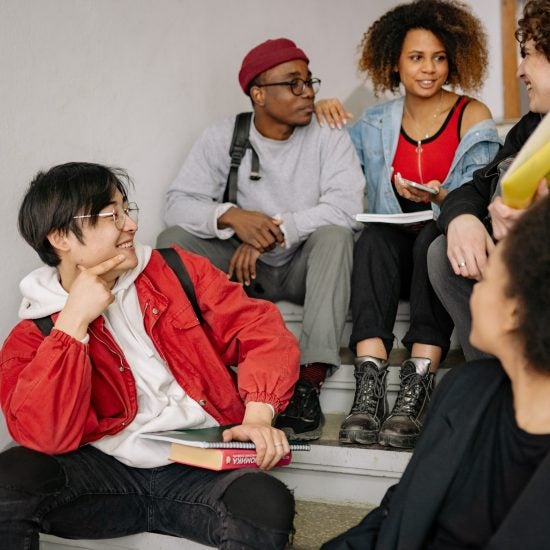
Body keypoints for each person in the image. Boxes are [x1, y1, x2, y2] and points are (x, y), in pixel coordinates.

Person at [0, 162, 300, 550]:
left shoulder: (176, 270)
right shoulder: (34, 333)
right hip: (103, 477)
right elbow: (45, 434)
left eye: (127, 210)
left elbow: (259, 329)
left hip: (198, 467)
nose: (130, 225)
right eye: (112, 215)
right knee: (10, 477)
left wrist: (259, 416)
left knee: (265, 503)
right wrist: (73, 323)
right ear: (60, 237)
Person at [156, 38, 365, 441]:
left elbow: (347, 207)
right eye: (294, 84)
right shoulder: (225, 136)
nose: (308, 93)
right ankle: (199, 365)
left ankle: (309, 380)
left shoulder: (327, 134)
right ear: (258, 93)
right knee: (173, 240)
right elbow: (177, 205)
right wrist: (232, 216)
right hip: (243, 272)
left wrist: (276, 230)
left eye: (310, 82)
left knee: (337, 235)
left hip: (306, 267)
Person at [315, 0, 501, 448]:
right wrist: (322, 113)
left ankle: (417, 381)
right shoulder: (375, 122)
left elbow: (476, 198)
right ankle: (370, 383)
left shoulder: (472, 117)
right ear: (394, 64)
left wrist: (438, 198)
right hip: (392, 252)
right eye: (416, 58)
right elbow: (339, 173)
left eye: (438, 57)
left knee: (431, 241)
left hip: (440, 251)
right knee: (375, 237)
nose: (429, 69)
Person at [322, 195, 550, 550]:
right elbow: (397, 512)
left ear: (516, 312)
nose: (472, 291)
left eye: (487, 278)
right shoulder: (464, 388)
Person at [428, 0, 550, 361]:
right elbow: (475, 187)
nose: (520, 71)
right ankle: (492, 380)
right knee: (442, 252)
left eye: (527, 55)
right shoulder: (529, 129)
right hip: (520, 272)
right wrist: (462, 219)